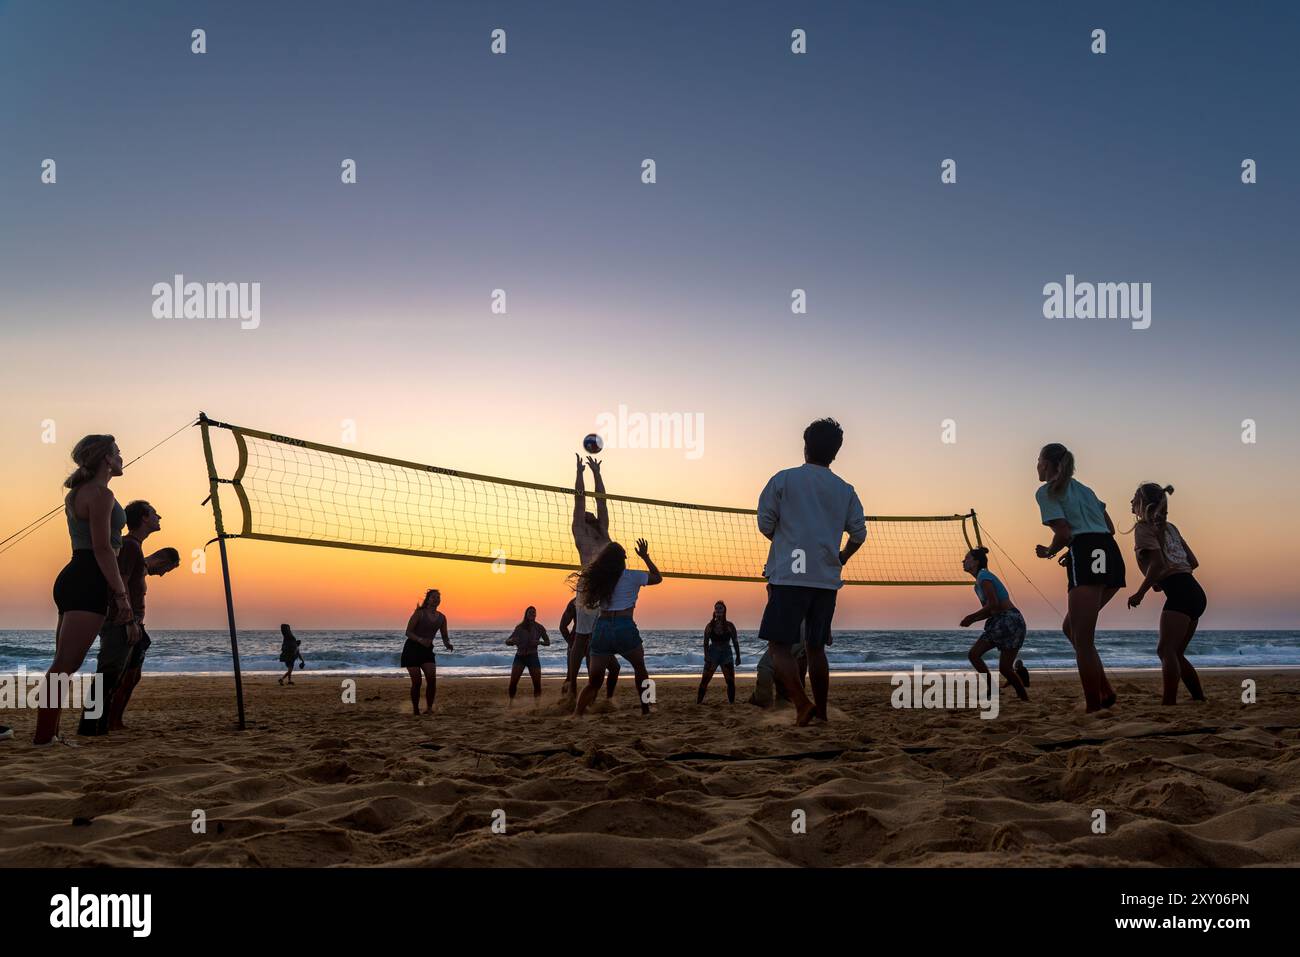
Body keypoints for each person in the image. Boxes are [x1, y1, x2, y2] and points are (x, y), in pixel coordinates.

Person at [756, 418, 867, 725]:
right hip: (825, 578)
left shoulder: (783, 479)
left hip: (790, 574)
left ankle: (803, 705)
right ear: (836, 453)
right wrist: (842, 556)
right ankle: (822, 712)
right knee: (815, 648)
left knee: (779, 646)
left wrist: (787, 542)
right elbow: (859, 534)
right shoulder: (845, 490)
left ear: (805, 446)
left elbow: (766, 524)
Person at [35, 435, 132, 747]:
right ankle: (44, 737)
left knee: (62, 662)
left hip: (74, 575)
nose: (121, 457)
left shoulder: (78, 492)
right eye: (117, 452)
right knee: (64, 664)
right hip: (89, 576)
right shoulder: (101, 494)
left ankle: (49, 735)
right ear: (106, 458)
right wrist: (121, 596)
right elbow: (103, 548)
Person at [1034, 443, 1123, 712]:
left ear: (1047, 464)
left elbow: (1062, 533)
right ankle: (1105, 691)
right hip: (1109, 552)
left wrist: (1050, 551)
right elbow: (1109, 528)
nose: (1036, 465)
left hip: (1086, 553)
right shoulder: (1086, 490)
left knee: (1083, 640)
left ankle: (1093, 707)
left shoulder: (1047, 490)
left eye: (1038, 460)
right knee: (1070, 629)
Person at [76, 499, 178, 734]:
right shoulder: (129, 545)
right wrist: (129, 620)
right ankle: (89, 728)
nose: (158, 517)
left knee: (115, 677)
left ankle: (99, 727)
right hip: (121, 621)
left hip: (129, 621)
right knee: (108, 675)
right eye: (154, 513)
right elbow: (118, 581)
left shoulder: (134, 547)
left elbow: (130, 577)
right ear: (143, 517)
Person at [1126, 483, 1207, 705]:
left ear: (1142, 503)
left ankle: (1169, 702)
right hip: (1195, 591)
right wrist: (1163, 578)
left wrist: (1140, 593)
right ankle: (1198, 698)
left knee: (1165, 650)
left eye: (1133, 498)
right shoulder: (1171, 527)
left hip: (1180, 593)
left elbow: (1158, 564)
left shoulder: (1143, 528)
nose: (1130, 502)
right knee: (1176, 653)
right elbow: (1192, 562)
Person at [573, 538, 661, 716]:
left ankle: (577, 714)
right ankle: (646, 709)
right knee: (641, 670)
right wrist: (645, 557)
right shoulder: (633, 575)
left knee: (594, 682)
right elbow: (658, 578)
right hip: (624, 626)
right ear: (623, 559)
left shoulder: (601, 578)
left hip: (602, 627)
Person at [108, 546, 180, 729]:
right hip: (128, 625)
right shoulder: (136, 565)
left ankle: (115, 719)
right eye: (166, 570)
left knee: (133, 677)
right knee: (125, 678)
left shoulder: (141, 571)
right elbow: (121, 591)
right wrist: (130, 622)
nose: (163, 574)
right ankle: (112, 720)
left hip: (137, 626)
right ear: (163, 561)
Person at [566, 454, 611, 702]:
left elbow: (602, 502)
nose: (591, 514)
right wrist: (580, 473)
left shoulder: (603, 531)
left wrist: (597, 473)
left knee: (600, 637)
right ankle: (572, 685)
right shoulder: (581, 532)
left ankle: (596, 687)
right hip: (588, 586)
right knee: (581, 639)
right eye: (587, 515)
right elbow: (580, 500)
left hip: (607, 587)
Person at [959, 547, 1030, 701]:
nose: (963, 561)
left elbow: (993, 603)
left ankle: (994, 689)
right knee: (1005, 668)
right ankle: (1023, 698)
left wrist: (971, 617)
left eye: (967, 558)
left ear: (976, 562)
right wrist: (972, 620)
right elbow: (990, 610)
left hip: (1007, 620)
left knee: (974, 654)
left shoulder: (984, 576)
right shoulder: (978, 583)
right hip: (1013, 620)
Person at [401, 589, 452, 715]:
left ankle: (429, 708)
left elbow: (444, 635)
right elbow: (408, 632)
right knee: (417, 682)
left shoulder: (442, 617)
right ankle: (415, 709)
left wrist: (447, 644)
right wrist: (420, 639)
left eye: (438, 597)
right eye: (433, 597)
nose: (436, 599)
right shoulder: (420, 613)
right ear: (428, 600)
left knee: (431, 680)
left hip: (427, 650)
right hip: (411, 649)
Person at [559, 598, 618, 699]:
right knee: (571, 677)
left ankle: (608, 700)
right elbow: (562, 626)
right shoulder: (575, 602)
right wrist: (571, 643)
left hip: (596, 642)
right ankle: (565, 701)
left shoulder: (603, 601)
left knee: (614, 668)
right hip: (578, 642)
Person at [697, 600, 741, 704]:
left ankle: (732, 704)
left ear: (725, 610)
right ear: (714, 611)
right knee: (705, 680)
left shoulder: (730, 626)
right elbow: (705, 642)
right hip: (713, 653)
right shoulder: (710, 626)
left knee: (730, 681)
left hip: (726, 653)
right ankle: (698, 703)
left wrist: (738, 657)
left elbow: (735, 642)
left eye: (720, 608)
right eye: (716, 608)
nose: (718, 610)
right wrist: (706, 655)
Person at [506, 605, 549, 703]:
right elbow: (507, 641)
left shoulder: (539, 627)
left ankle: (537, 705)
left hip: (533, 656)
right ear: (526, 614)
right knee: (513, 683)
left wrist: (540, 642)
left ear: (536, 615)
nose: (532, 614)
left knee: (537, 684)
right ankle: (511, 703)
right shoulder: (519, 627)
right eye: (530, 612)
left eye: (534, 612)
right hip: (520, 657)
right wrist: (512, 641)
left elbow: (548, 642)